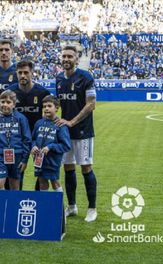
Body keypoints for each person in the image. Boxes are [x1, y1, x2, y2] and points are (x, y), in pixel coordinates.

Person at [55, 45, 98, 222]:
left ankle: (92, 208)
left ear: (76, 59)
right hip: (65, 132)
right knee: (68, 167)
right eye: (64, 56)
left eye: (70, 56)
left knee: (86, 167)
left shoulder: (85, 77)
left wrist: (72, 122)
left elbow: (91, 104)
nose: (66, 59)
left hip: (83, 131)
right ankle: (72, 206)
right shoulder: (58, 78)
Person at [8, 60, 51, 190]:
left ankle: (39, 201)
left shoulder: (42, 93)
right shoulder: (10, 92)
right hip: (17, 139)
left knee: (42, 172)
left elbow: (49, 116)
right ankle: (16, 201)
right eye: (20, 73)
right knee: (17, 172)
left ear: (32, 73)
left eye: (26, 72)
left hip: (38, 139)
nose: (23, 76)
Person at [0, 90, 31, 190]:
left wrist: (25, 159)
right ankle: (1, 204)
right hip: (0, 156)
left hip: (17, 155)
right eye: (3, 102)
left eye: (8, 102)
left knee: (14, 186)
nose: (5, 104)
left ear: (14, 104)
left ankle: (11, 205)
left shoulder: (21, 118)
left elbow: (27, 139)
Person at [31, 95, 71, 192]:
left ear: (57, 108)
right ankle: (45, 206)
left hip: (52, 161)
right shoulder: (39, 123)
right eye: (44, 106)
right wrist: (33, 146)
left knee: (55, 183)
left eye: (49, 106)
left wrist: (50, 147)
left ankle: (59, 206)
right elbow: (32, 139)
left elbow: (66, 146)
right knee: (42, 182)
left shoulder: (60, 125)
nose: (46, 109)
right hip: (39, 161)